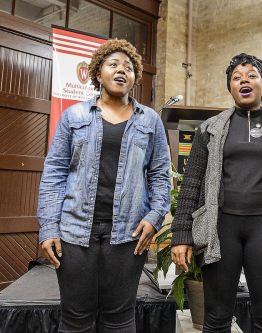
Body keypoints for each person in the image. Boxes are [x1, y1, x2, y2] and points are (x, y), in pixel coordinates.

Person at [170, 53, 262, 333]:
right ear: (230, 87)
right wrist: (181, 235)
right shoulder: (208, 130)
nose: (244, 81)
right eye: (237, 77)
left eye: (251, 76)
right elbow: (191, 184)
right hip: (221, 229)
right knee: (216, 319)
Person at [37, 39, 170, 332]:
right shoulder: (74, 116)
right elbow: (54, 172)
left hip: (128, 235)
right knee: (75, 319)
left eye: (129, 67)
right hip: (74, 232)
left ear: (134, 78)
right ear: (98, 73)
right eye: (114, 64)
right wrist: (48, 227)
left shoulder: (150, 120)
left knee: (120, 319)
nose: (122, 70)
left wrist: (154, 216)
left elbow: (161, 175)